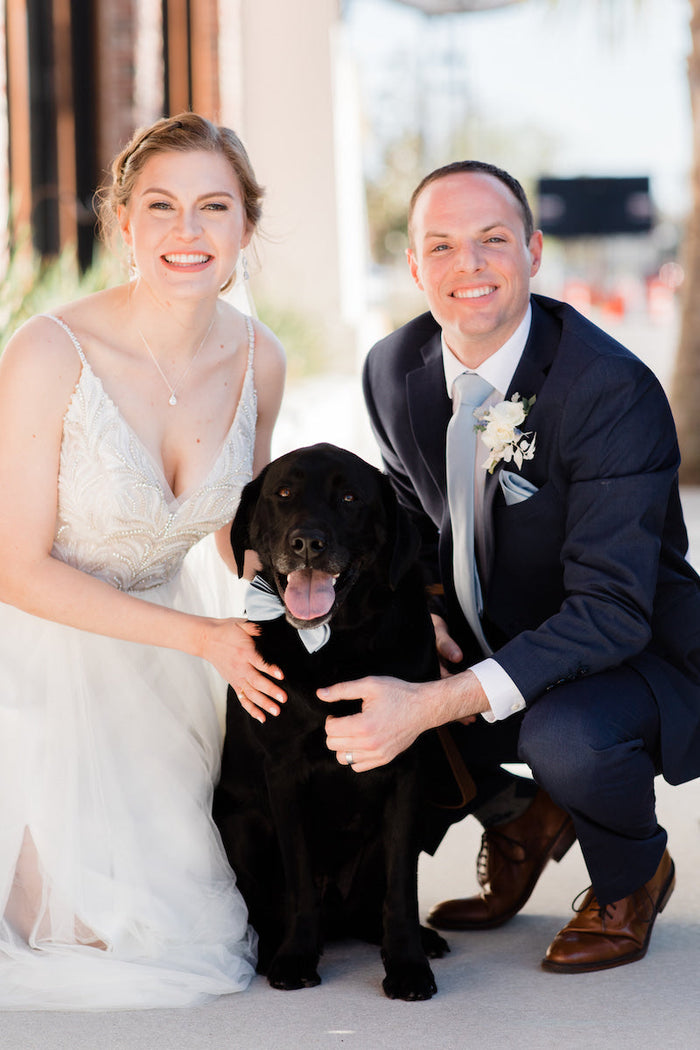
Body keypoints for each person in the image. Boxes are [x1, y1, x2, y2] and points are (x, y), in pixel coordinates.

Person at [317, 161, 700, 973]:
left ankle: (633, 875)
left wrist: (435, 702)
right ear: (414, 265)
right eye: (443, 246)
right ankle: (525, 819)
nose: (472, 265)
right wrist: (421, 616)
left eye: (494, 240)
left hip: (635, 652)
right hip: (496, 630)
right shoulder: (393, 369)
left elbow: (611, 612)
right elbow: (413, 518)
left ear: (532, 250)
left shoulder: (609, 390)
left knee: (564, 734)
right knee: (374, 667)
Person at [0, 112, 287, 1009]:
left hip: (170, 661)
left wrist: (294, 615)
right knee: (77, 938)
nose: (187, 231)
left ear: (247, 226)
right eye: (160, 206)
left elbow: (239, 534)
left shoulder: (258, 359)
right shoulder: (51, 350)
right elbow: (13, 568)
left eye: (213, 207)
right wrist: (203, 637)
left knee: (189, 924)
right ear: (123, 222)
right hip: (33, 653)